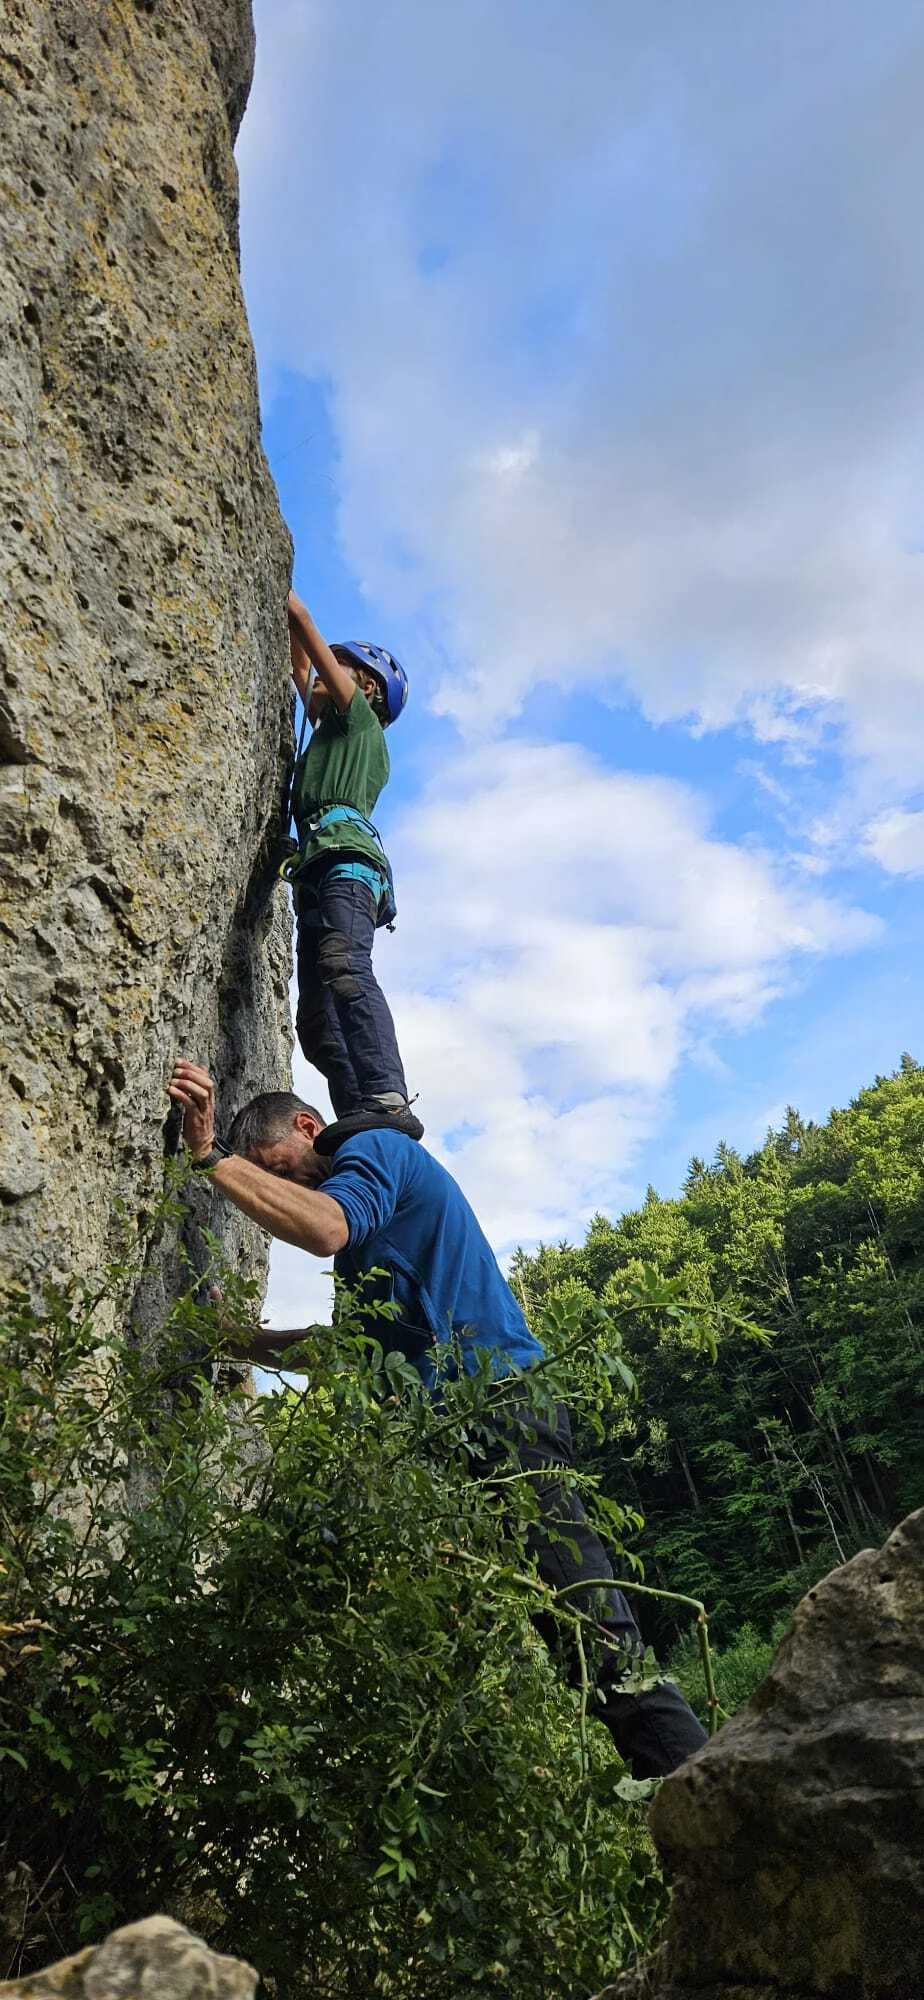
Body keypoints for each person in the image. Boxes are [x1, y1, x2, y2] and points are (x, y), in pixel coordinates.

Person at [168, 1059, 709, 1781]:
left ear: (309, 1128)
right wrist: (235, 1341)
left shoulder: (373, 1152)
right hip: (472, 1429)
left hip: (503, 1412)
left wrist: (211, 1156)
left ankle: (705, 1789)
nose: (290, 1189)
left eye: (283, 1169)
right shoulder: (374, 1249)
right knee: (566, 1635)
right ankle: (677, 1787)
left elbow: (325, 1228)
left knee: (592, 1628)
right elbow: (347, 1351)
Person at [285, 587, 421, 1145]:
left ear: (365, 686)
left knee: (345, 965)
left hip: (348, 864)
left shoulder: (359, 723)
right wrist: (293, 635)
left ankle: (387, 1095)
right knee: (316, 1025)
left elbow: (310, 651)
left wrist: (296, 608)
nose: (320, 676)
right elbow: (301, 666)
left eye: (337, 670)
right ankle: (362, 1119)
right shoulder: (327, 734)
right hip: (318, 871)